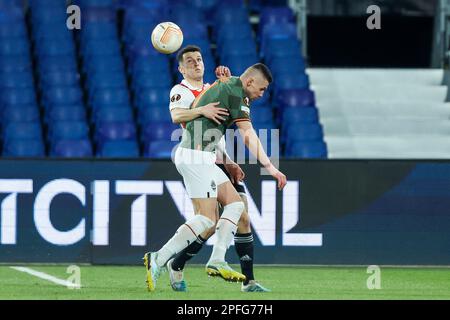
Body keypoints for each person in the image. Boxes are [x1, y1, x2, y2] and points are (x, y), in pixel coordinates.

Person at [143, 60, 287, 293]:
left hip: (202, 156)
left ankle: (215, 259)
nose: (262, 94)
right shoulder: (235, 91)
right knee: (207, 219)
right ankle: (160, 258)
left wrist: (228, 161)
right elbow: (248, 136)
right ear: (249, 81)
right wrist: (270, 167)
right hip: (195, 156)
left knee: (234, 206)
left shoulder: (231, 85)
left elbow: (210, 98)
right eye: (261, 89)